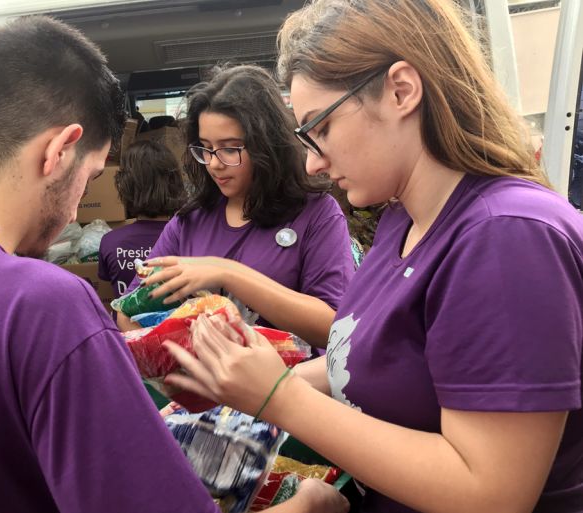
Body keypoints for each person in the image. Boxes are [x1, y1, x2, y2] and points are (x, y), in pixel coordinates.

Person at [0, 16, 346, 513]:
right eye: (90, 179)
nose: (75, 211)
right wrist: (308, 505)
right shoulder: (39, 306)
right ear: (61, 151)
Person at [163, 1, 583, 512]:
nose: (314, 162)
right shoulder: (401, 222)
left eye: (322, 128)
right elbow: (367, 359)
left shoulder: (506, 236)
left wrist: (278, 396)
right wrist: (239, 379)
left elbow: (489, 493)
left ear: (402, 90)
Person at [118, 65, 355, 348]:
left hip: (288, 387)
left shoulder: (316, 214)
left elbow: (335, 328)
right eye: (205, 148)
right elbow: (128, 311)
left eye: (230, 148)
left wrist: (227, 273)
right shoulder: (190, 220)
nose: (215, 163)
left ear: (267, 146)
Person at [98, 140, 185, 299]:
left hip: (126, 323)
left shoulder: (110, 242)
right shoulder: (191, 238)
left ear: (125, 186)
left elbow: (106, 300)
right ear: (174, 182)